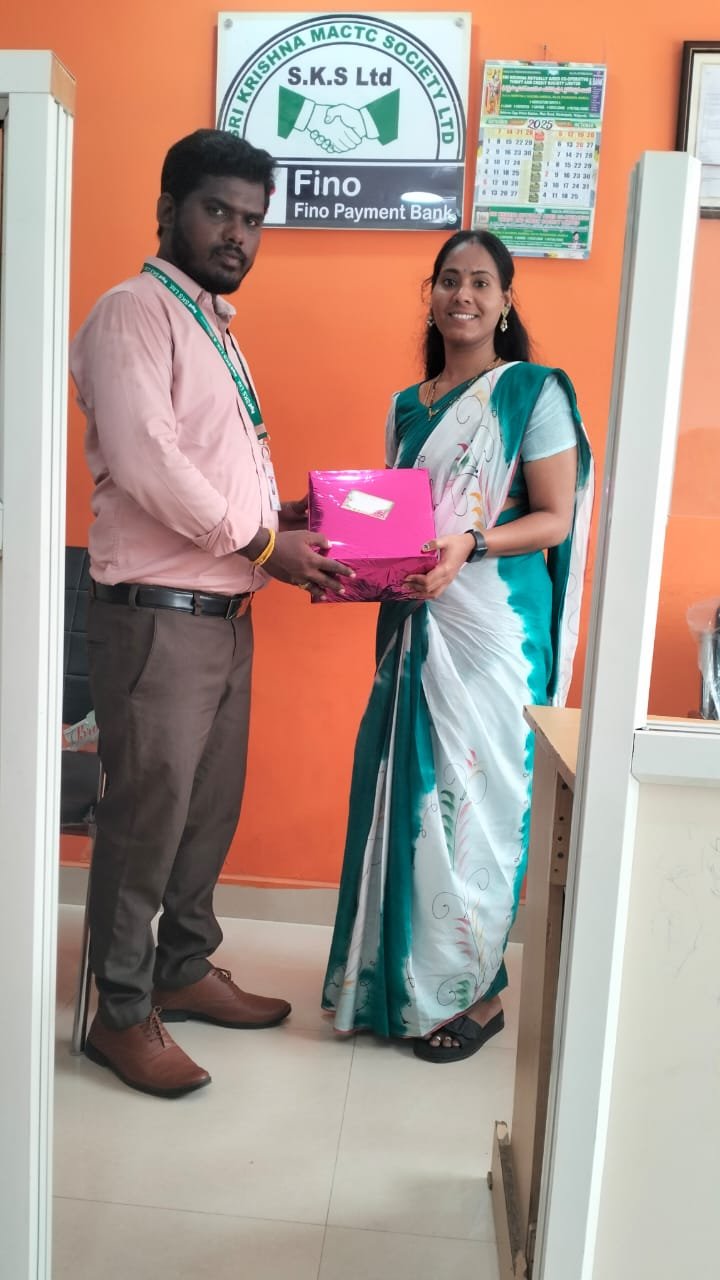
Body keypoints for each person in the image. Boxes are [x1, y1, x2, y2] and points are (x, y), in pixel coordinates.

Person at [70, 129, 352, 1098]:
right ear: (169, 210)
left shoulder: (213, 325)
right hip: (157, 617)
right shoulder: (132, 312)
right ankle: (119, 1012)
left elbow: (214, 470)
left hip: (225, 614)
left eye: (253, 220)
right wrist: (268, 545)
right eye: (218, 212)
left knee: (206, 811)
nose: (237, 234)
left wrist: (284, 518)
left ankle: (183, 967)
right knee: (146, 818)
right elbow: (148, 461)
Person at [322, 229, 593, 1062]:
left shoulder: (532, 393)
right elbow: (400, 518)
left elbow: (554, 517)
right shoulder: (408, 406)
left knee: (478, 802)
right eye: (448, 280)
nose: (462, 295)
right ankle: (394, 983)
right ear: (431, 295)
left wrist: (471, 544)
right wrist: (343, 542)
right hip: (416, 618)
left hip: (494, 626)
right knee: (406, 793)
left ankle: (480, 992)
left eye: (480, 282)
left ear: (506, 301)